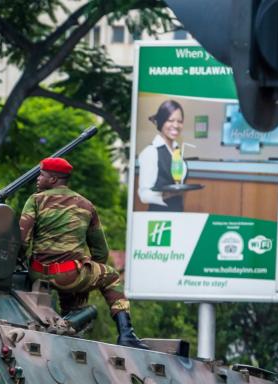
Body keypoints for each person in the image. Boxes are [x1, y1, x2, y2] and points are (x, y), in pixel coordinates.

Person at [20, 157, 148, 350]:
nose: (38, 178)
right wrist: (85, 279)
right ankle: (127, 334)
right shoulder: (86, 205)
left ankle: (65, 325)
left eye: (42, 175)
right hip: (70, 276)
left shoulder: (35, 201)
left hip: (37, 274)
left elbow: (22, 241)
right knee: (112, 276)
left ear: (53, 180)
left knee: (71, 294)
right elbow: (101, 252)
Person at [137, 99, 186, 212]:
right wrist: (167, 194)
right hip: (158, 218)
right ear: (161, 122)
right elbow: (144, 195)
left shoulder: (177, 151)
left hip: (178, 214)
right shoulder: (151, 152)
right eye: (170, 120)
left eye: (180, 121)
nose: (176, 125)